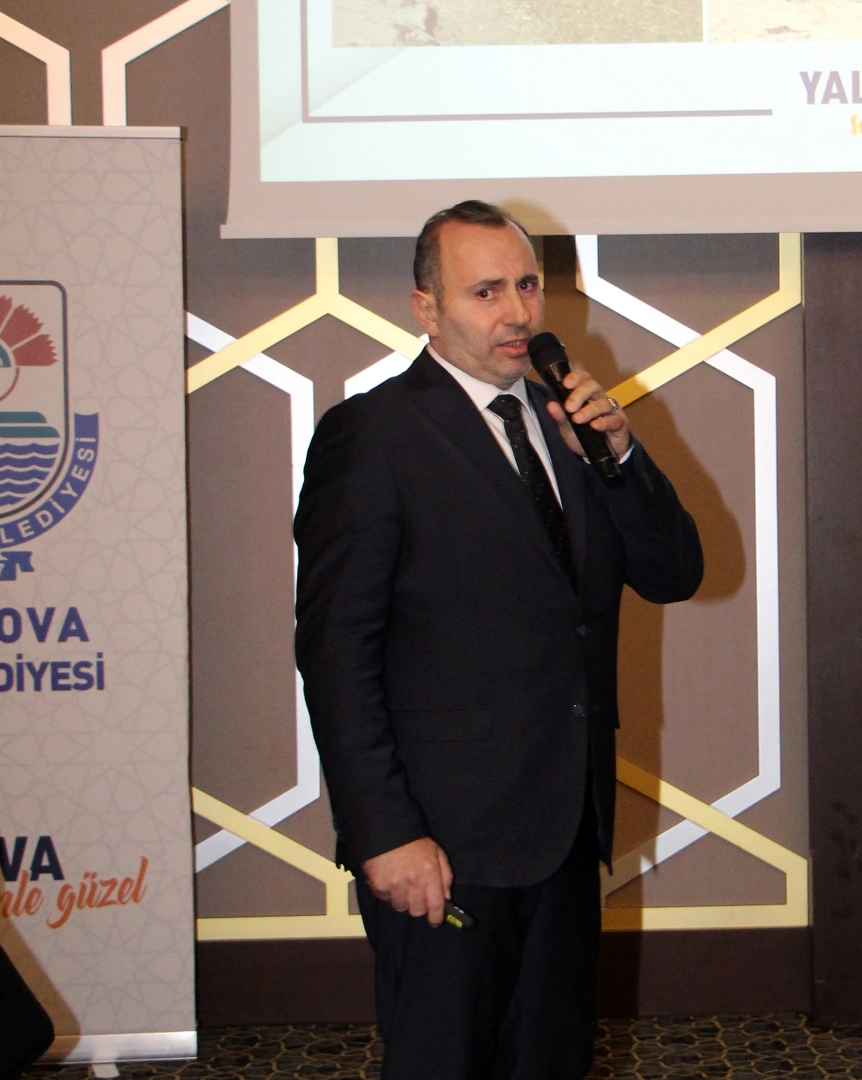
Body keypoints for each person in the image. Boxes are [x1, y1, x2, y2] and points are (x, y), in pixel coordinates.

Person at [294, 200, 703, 1079]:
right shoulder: (372, 436)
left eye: (526, 285)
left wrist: (622, 458)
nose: (517, 311)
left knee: (550, 1061)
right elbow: (335, 653)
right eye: (485, 292)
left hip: (565, 827)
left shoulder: (571, 424)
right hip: (442, 843)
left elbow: (675, 572)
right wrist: (384, 831)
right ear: (427, 309)